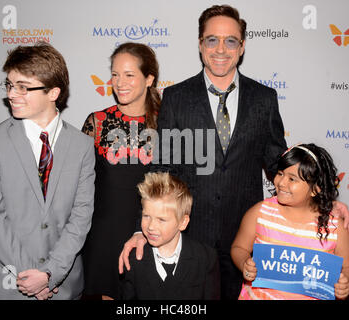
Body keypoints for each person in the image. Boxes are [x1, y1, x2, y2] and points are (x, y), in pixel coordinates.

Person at [118, 4, 349, 300]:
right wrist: (141, 225)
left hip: (246, 240)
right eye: (212, 39)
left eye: (231, 41)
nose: (221, 49)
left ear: (241, 47)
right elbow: (162, 168)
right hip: (189, 235)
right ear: (201, 45)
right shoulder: (176, 98)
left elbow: (280, 163)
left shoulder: (264, 99)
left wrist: (325, 198)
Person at [0, 42, 95, 300]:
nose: (11, 94)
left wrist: (50, 273)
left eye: (23, 87)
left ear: (53, 93)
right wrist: (33, 277)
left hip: (63, 288)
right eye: (9, 84)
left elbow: (81, 217)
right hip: (11, 286)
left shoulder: (83, 146)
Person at [81, 42, 161, 300]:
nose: (119, 82)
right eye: (115, 74)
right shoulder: (97, 122)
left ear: (149, 79)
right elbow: (80, 186)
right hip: (103, 236)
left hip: (151, 234)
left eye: (129, 75)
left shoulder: (167, 123)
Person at [231, 143, 349, 300]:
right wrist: (245, 264)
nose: (281, 183)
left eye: (292, 179)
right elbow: (239, 247)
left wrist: (344, 283)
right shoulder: (260, 212)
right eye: (280, 173)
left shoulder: (335, 227)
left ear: (315, 189)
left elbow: (346, 266)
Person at [121, 172, 220, 300]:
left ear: (183, 222)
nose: (151, 226)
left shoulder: (206, 259)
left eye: (161, 219)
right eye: (146, 216)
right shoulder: (134, 259)